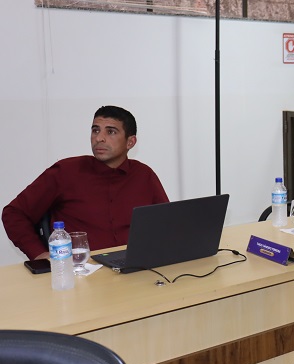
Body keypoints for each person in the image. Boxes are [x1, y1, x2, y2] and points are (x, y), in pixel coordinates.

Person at [3, 105, 169, 260]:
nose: (99, 138)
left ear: (130, 142)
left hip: (136, 266)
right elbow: (14, 213)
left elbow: (167, 223)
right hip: (82, 269)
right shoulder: (66, 172)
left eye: (110, 132)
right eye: (95, 130)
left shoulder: (144, 175)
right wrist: (39, 254)